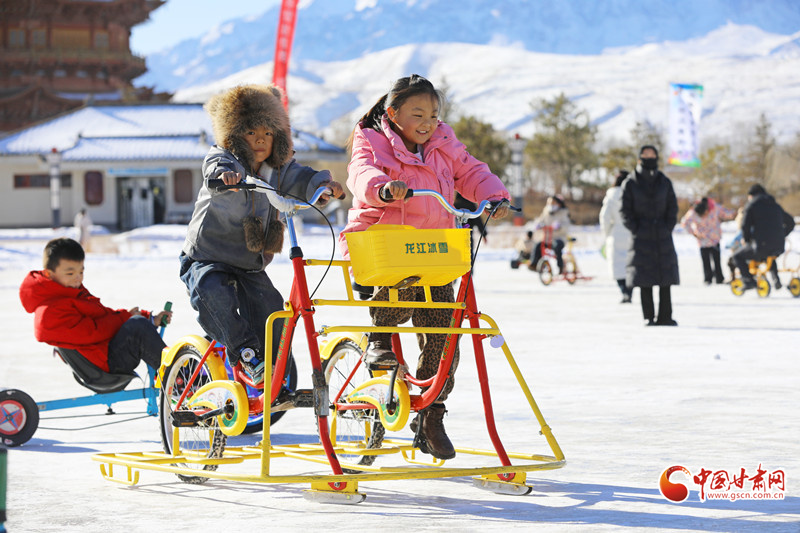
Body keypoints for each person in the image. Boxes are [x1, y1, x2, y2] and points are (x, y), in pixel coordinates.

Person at [338, 74, 510, 460]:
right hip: (386, 246)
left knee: (445, 332)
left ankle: (431, 414)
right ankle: (379, 340)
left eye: (433, 115)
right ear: (393, 114)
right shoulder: (373, 140)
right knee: (404, 288)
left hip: (433, 251)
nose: (428, 123)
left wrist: (493, 195)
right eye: (417, 114)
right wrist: (383, 188)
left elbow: (470, 171)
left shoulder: (443, 142)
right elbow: (361, 172)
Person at [180, 84, 343, 385]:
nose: (260, 140)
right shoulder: (224, 159)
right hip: (207, 255)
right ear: (233, 136)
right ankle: (247, 354)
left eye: (268, 133)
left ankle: (275, 369)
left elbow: (301, 177)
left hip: (248, 264)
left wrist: (323, 186)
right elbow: (215, 168)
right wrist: (225, 179)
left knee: (270, 308)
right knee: (212, 293)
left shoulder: (278, 169)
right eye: (250, 132)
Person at [19, 237, 172, 374]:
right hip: (103, 363)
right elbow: (93, 331)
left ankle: (176, 376)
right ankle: (178, 380)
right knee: (138, 327)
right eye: (70, 273)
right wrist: (127, 318)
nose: (78, 279)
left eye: (81, 272)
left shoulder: (68, 291)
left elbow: (101, 315)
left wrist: (147, 318)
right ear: (48, 274)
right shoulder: (50, 312)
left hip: (103, 354)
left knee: (138, 324)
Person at [621, 146, 680, 326]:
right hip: (641, 235)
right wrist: (636, 228)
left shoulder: (664, 181)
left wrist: (667, 226)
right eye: (645, 154)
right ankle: (649, 316)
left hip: (662, 234)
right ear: (639, 158)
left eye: (652, 154)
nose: (649, 157)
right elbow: (624, 211)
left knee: (665, 276)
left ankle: (665, 316)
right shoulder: (631, 182)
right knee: (644, 278)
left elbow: (672, 206)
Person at [732, 184, 795, 291]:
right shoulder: (775, 205)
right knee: (769, 255)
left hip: (760, 245)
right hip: (779, 246)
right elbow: (791, 222)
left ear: (751, 195)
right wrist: (781, 235)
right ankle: (776, 280)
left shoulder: (752, 205)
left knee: (737, 256)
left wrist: (747, 240)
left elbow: (745, 226)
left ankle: (748, 281)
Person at [680, 196, 736, 285]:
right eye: (701, 215)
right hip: (703, 240)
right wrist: (694, 233)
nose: (704, 216)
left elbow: (726, 213)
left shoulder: (715, 207)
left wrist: (734, 213)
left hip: (715, 239)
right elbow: (684, 223)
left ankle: (719, 278)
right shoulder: (693, 212)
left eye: (705, 213)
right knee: (706, 261)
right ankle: (707, 279)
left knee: (717, 260)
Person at [599, 170, 633, 302]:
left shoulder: (611, 195)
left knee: (617, 265)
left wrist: (607, 233)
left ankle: (624, 291)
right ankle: (629, 290)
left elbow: (605, 217)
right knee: (631, 264)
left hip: (616, 233)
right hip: (632, 232)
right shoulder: (633, 193)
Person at [530, 195, 570, 273]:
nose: (551, 205)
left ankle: (560, 266)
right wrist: (538, 224)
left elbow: (566, 226)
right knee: (538, 245)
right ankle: (534, 264)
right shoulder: (546, 212)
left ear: (558, 204)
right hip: (547, 239)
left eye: (553, 203)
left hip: (559, 238)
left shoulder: (563, 213)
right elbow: (540, 220)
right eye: (549, 203)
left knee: (557, 246)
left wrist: (559, 226)